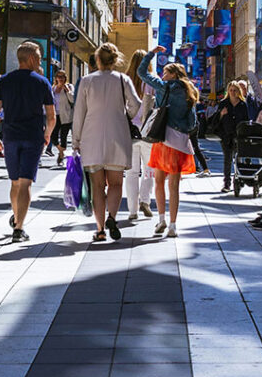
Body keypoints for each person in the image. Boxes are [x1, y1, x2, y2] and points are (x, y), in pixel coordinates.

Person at [72, 43, 141, 241]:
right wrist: (124, 114)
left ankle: (100, 229)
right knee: (116, 184)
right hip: (117, 135)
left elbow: (79, 113)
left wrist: (76, 140)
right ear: (115, 60)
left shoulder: (86, 81)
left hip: (91, 137)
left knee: (97, 186)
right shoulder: (123, 79)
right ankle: (112, 217)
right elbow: (135, 105)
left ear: (98, 60)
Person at [0, 41, 55, 243]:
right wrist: (48, 134)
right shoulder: (42, 82)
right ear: (32, 59)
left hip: (10, 136)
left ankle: (17, 216)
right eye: (39, 57)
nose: (40, 61)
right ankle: (18, 228)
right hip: (33, 136)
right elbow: (51, 116)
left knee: (15, 182)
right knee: (26, 182)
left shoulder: (4, 81)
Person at [139, 47, 198, 238]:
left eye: (166, 72)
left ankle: (161, 219)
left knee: (158, 182)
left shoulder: (164, 87)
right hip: (180, 141)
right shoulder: (190, 91)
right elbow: (193, 122)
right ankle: (173, 225)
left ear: (173, 74)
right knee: (174, 186)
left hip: (163, 138)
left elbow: (141, 72)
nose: (162, 75)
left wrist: (151, 53)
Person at [124, 49, 155, 219]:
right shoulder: (151, 80)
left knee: (131, 173)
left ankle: (132, 211)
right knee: (150, 170)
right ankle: (145, 200)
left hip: (129, 132)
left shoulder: (126, 81)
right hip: (148, 132)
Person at [216, 80, 251, 192]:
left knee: (238, 159)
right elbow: (216, 121)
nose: (232, 92)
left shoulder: (242, 104)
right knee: (227, 159)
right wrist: (221, 114)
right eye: (230, 90)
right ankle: (227, 183)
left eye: (235, 90)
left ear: (238, 91)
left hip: (239, 135)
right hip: (226, 135)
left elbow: (246, 119)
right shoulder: (223, 103)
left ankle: (238, 180)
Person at [49, 70, 75, 165]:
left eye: (62, 76)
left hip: (66, 116)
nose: (60, 78)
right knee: (53, 136)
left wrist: (67, 91)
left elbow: (73, 99)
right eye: (59, 76)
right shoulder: (53, 89)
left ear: (65, 78)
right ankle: (61, 152)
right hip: (56, 115)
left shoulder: (69, 87)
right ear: (56, 78)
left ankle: (61, 155)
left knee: (63, 137)